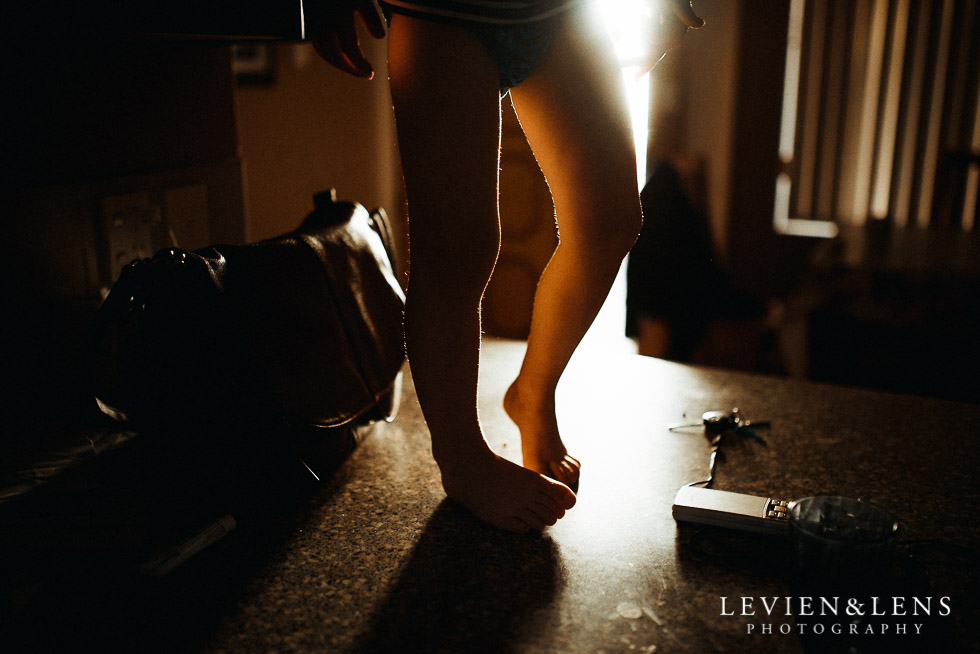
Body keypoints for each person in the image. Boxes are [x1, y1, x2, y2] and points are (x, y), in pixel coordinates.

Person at [308, 0, 703, 533]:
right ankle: (463, 460)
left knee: (610, 220)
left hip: (558, 11)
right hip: (441, 11)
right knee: (457, 250)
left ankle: (532, 394)